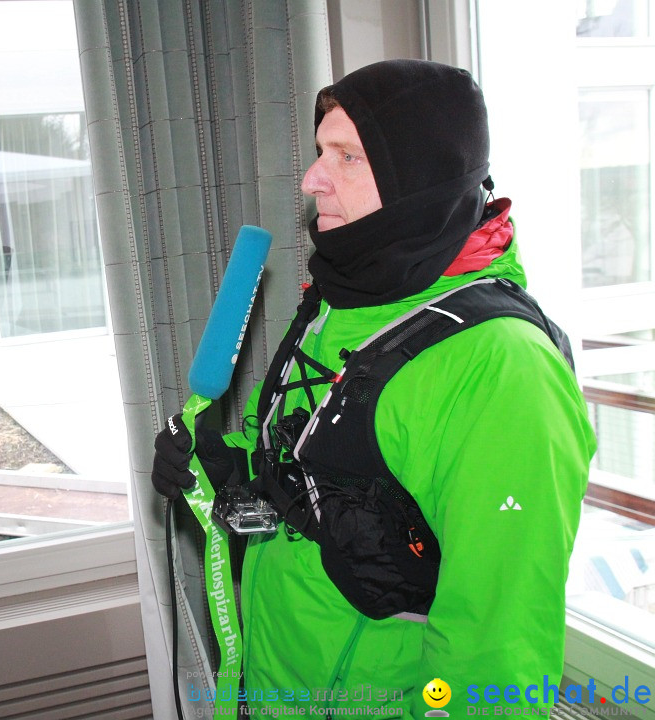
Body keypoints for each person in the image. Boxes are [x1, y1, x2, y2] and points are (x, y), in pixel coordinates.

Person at [152, 59, 596, 717]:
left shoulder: (504, 371)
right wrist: (230, 469)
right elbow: (326, 460)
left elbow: (494, 660)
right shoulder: (344, 296)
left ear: (417, 179)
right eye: (318, 152)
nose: (311, 179)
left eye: (347, 157)